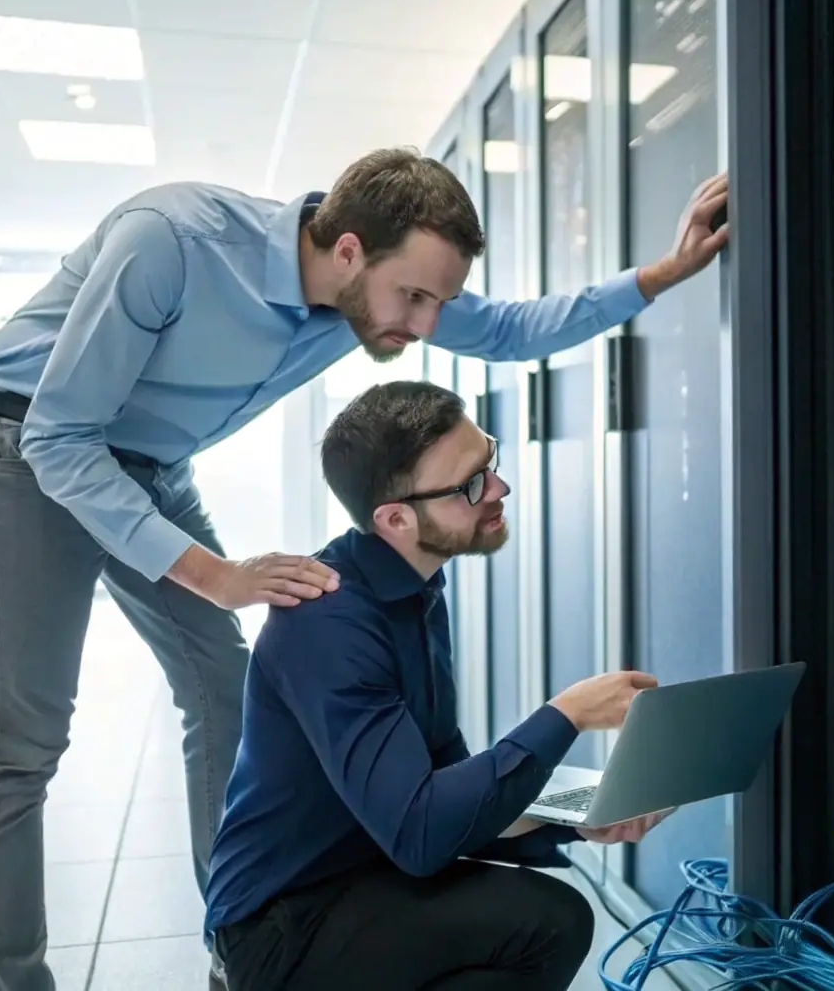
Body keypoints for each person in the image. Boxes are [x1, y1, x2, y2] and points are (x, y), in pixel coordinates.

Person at [0, 146, 728, 991]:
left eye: (436, 299)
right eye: (416, 297)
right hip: (24, 452)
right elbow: (59, 436)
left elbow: (505, 330)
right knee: (20, 747)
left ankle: (239, 942)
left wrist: (661, 273)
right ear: (351, 250)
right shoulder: (169, 242)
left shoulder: (370, 296)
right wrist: (219, 576)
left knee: (220, 688)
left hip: (150, 464)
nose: (426, 323)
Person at [206, 380, 671, 990]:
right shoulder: (327, 621)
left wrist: (577, 819)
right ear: (396, 518)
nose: (499, 489)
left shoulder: (414, 590)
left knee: (548, 922)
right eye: (470, 484)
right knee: (546, 922)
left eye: (490, 462)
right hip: (281, 926)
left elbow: (444, 793)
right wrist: (567, 715)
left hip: (366, 871)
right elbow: (423, 834)